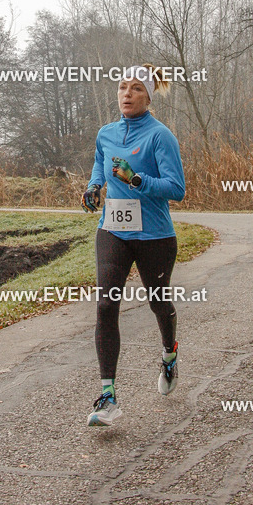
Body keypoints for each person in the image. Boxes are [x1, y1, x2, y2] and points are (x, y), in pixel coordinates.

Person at [81, 64, 186, 426]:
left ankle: (169, 353)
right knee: (106, 305)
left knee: (158, 302)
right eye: (123, 87)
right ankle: (107, 397)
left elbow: (177, 189)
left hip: (155, 235)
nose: (127, 93)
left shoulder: (161, 137)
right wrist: (94, 186)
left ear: (148, 97)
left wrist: (138, 180)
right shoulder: (106, 133)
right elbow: (100, 164)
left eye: (136, 88)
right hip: (112, 229)